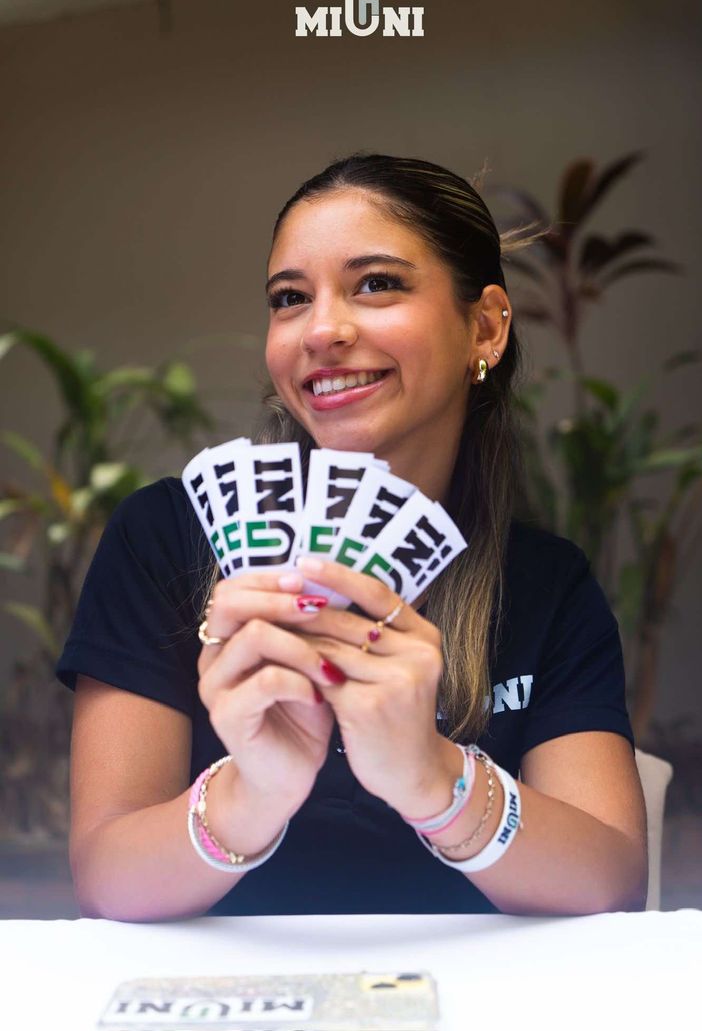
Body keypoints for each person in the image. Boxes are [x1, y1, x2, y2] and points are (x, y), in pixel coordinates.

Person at [56, 152, 648, 921]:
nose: (322, 330)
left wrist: (434, 779)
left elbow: (610, 878)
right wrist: (253, 791)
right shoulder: (168, 538)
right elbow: (107, 877)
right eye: (289, 298)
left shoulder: (545, 583)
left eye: (377, 283)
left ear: (486, 326)